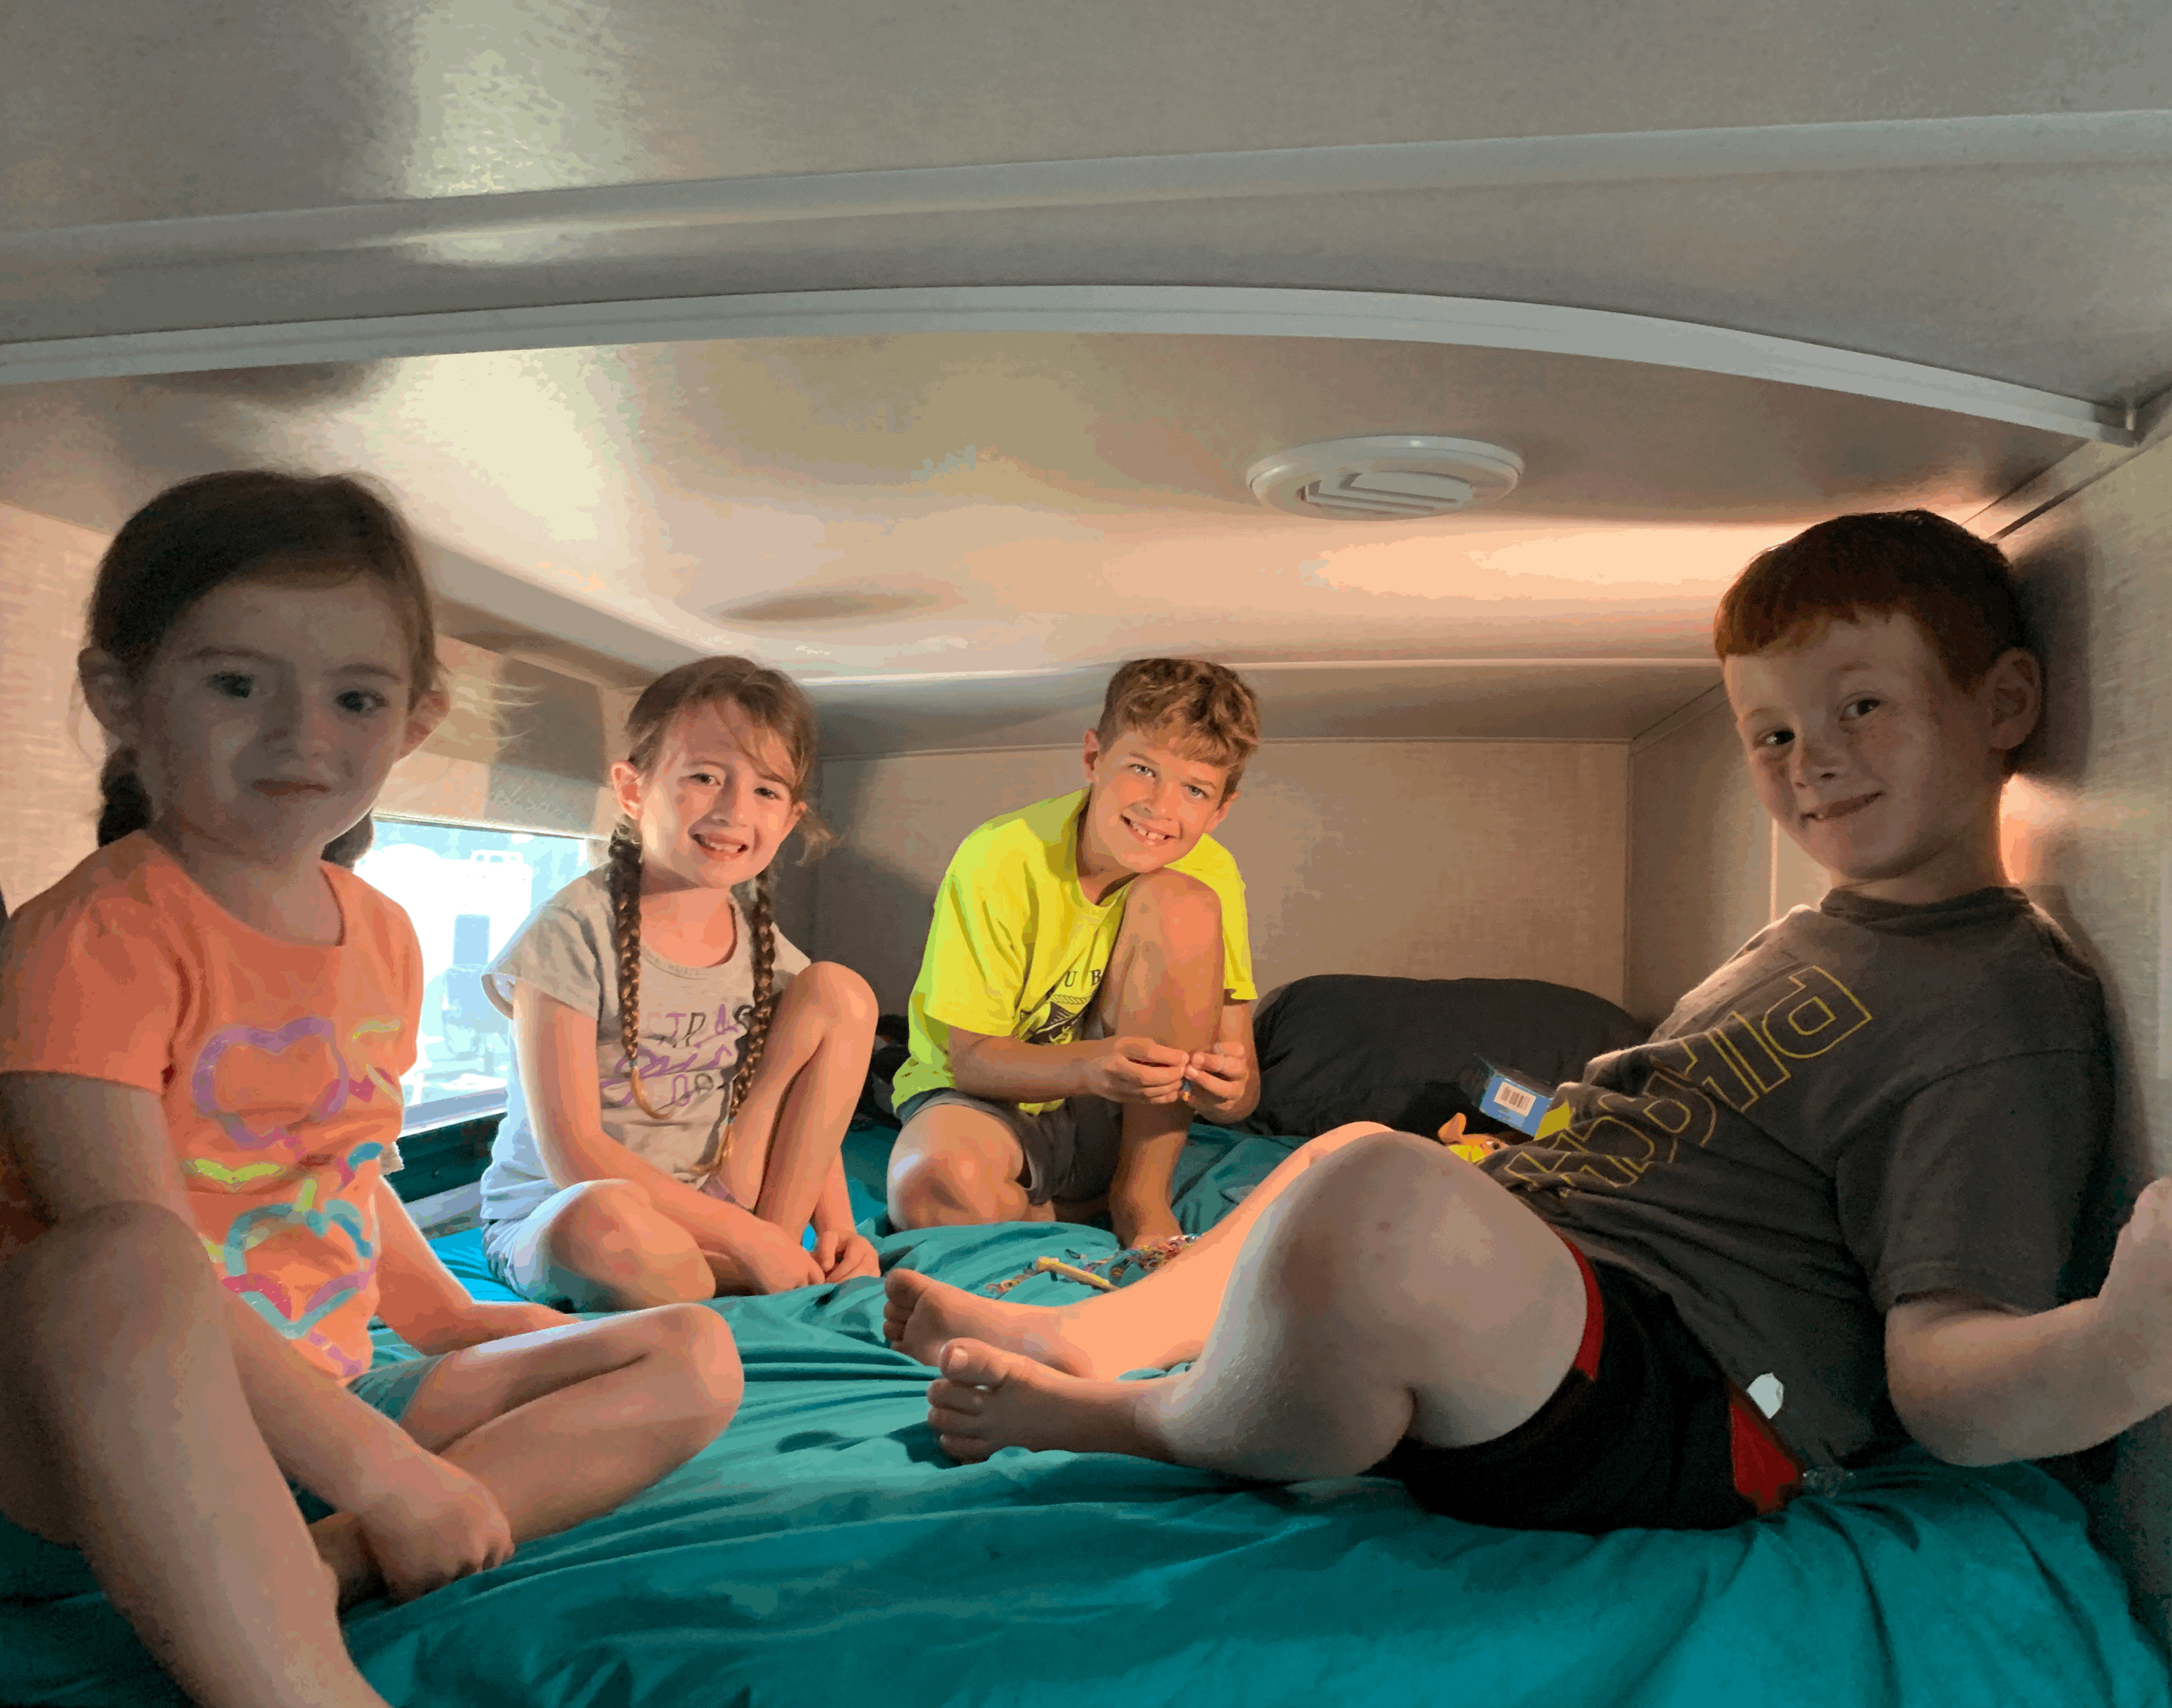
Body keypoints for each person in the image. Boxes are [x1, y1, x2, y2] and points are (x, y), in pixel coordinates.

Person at [884, 510, 2172, 1534]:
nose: (1811, 760)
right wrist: (1513, 1148)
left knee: (1377, 1198)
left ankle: (1141, 1417)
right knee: (1358, 1153)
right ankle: (1098, 1337)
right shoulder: (1811, 937)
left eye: (1860, 705)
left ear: (2003, 702)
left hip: (1693, 1392)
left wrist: (2137, 1338)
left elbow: (1946, 1378)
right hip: (1566, 1285)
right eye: (1771, 733)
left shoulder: (1995, 1005)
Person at [0, 470, 745, 1707]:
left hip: (327, 1402)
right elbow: (122, 1266)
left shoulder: (383, 934)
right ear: (120, 698)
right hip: (93, 1451)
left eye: (354, 698)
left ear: (413, 720)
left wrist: (451, 1326)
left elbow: (336, 1168)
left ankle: (320, 1565)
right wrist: (385, 1470)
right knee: (128, 1257)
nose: (302, 737)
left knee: (693, 1353)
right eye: (237, 685)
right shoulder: (93, 938)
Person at [477, 656, 880, 1309]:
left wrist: (837, 1227)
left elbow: (810, 1114)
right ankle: (749, 1269)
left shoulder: (767, 951)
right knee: (605, 1227)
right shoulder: (571, 932)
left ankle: (777, 1256)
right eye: (704, 777)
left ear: (788, 819)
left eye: (766, 791)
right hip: (571, 1210)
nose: (733, 810)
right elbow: (573, 1153)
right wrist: (743, 1237)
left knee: (840, 993)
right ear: (632, 790)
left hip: (718, 1205)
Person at [886, 659, 1263, 1251]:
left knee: (1181, 901)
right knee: (927, 1189)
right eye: (1142, 769)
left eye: (1194, 790)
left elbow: (1242, 1090)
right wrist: (1092, 1065)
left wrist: (1225, 1093)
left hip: (1119, 1115)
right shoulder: (999, 857)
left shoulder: (1212, 870)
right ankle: (1074, 1213)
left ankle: (1140, 1198)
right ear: (1094, 758)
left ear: (1220, 810)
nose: (1161, 807)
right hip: (986, 1102)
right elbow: (974, 1062)